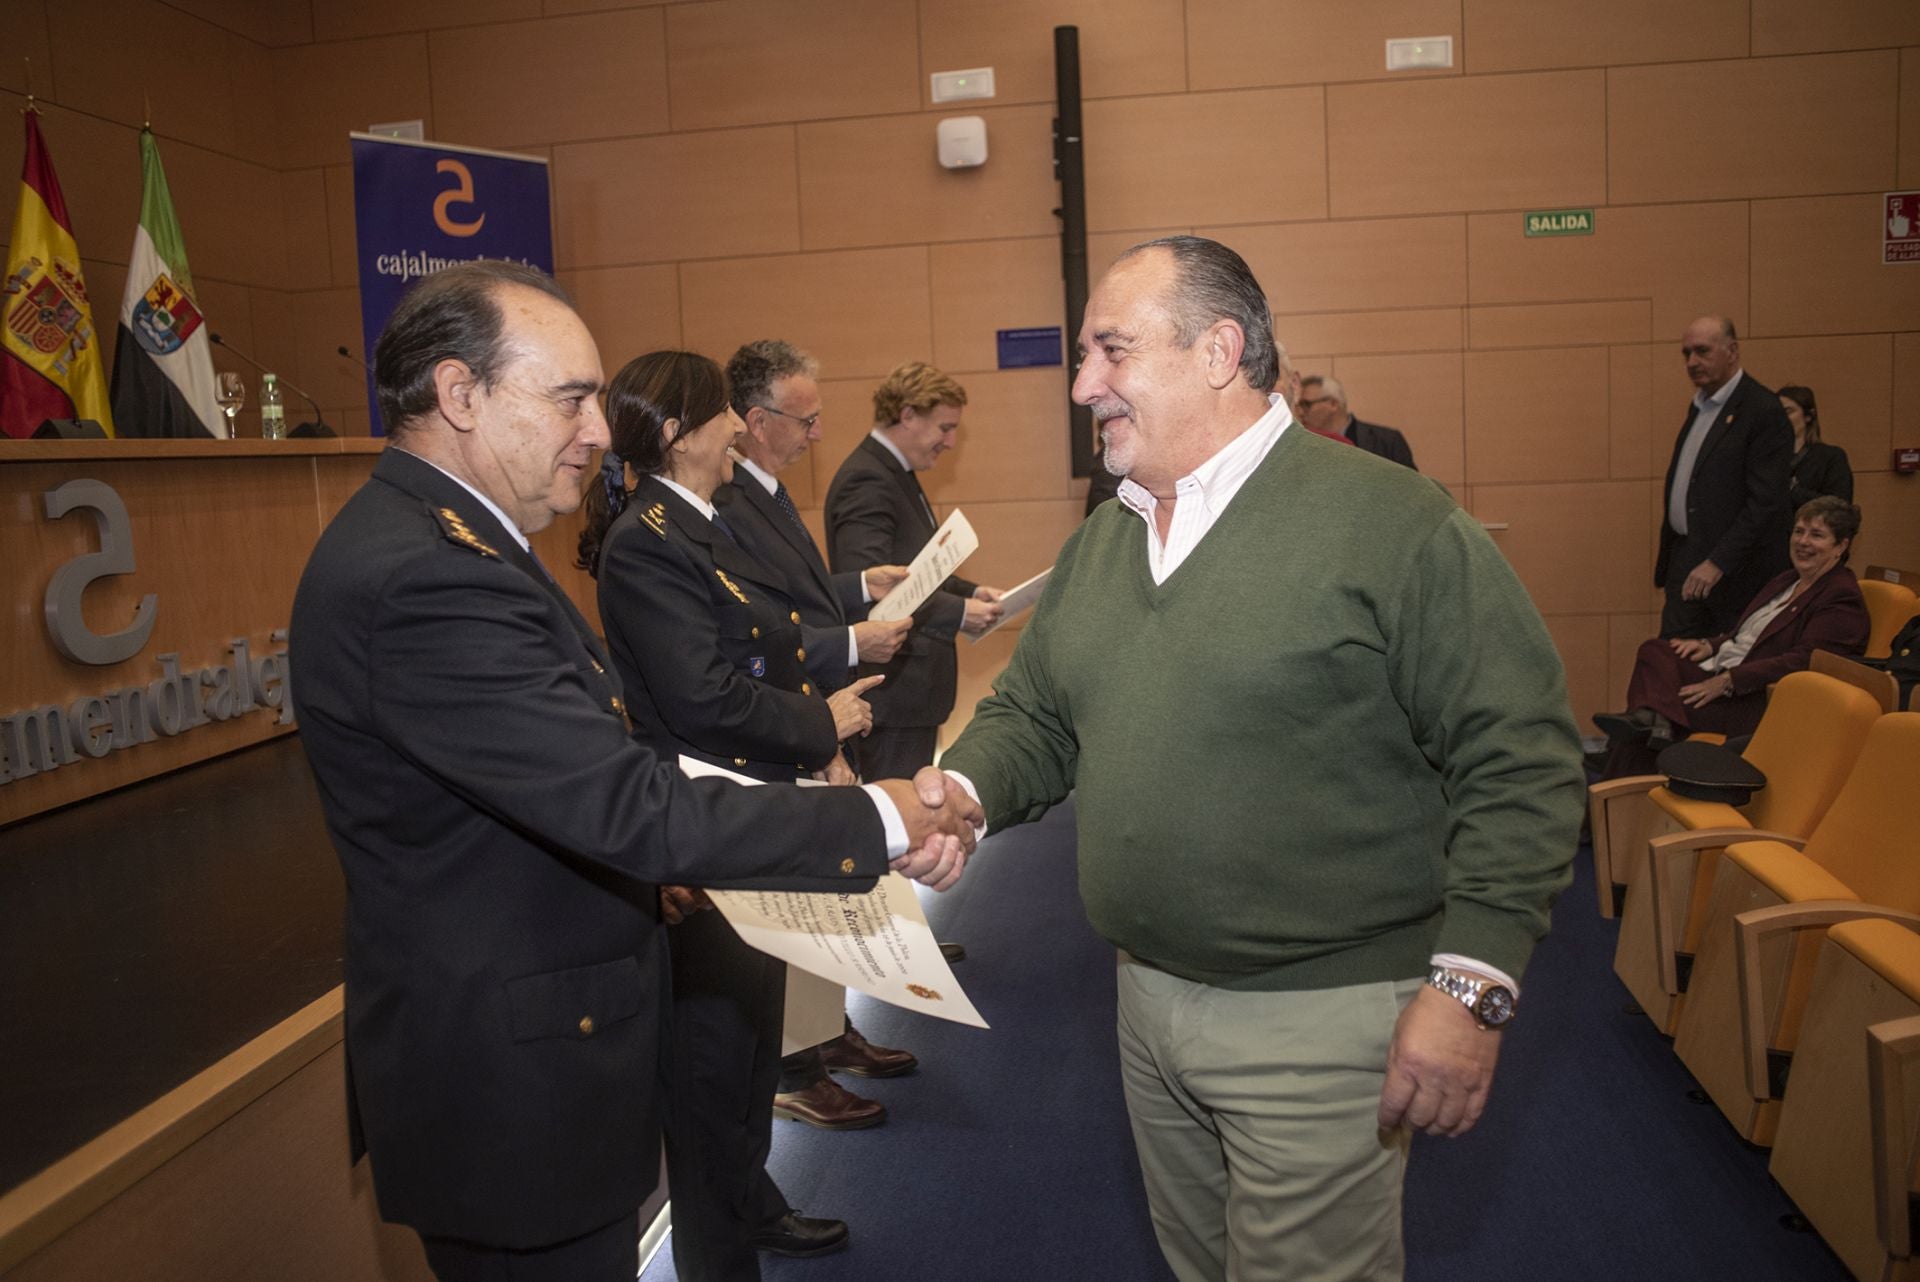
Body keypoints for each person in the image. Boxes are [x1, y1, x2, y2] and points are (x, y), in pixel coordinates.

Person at [288, 261, 978, 1282]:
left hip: (543, 1051)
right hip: (512, 1085)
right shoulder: (425, 572)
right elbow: (622, 799)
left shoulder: (465, 540)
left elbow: (564, 773)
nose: (601, 432)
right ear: (459, 394)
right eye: (571, 399)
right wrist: (878, 818)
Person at [927, 236, 1584, 1282]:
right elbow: (1040, 716)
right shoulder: (1107, 537)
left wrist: (1472, 987)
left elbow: (1525, 759)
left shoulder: (1392, 521)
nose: (1082, 382)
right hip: (1144, 1006)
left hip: (1324, 1020)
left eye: (1110, 350)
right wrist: (957, 791)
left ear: (1219, 350)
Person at [577, 349, 879, 1277]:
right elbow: (704, 695)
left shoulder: (698, 525)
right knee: (712, 1078)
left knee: (750, 1057)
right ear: (680, 433)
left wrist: (810, 739)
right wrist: (815, 721)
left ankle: (751, 1205)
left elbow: (767, 644)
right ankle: (721, 1251)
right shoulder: (648, 539)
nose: (739, 429)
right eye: (722, 416)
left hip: (746, 820)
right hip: (702, 831)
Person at [715, 339, 921, 1130]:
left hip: (808, 710)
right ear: (758, 422)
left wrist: (858, 587)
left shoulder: (764, 490)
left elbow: (795, 592)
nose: (818, 434)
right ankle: (796, 1064)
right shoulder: (730, 503)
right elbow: (755, 624)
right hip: (779, 723)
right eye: (805, 419)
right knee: (794, 903)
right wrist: (847, 642)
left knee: (822, 895)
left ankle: (824, 1036)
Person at [822, 361, 1004, 783]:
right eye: (944, 428)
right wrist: (958, 612)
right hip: (891, 693)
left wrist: (971, 593)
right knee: (896, 816)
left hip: (907, 693)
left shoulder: (893, 473)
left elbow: (918, 569)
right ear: (907, 415)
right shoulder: (867, 478)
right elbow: (869, 584)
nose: (951, 442)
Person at [1594, 496, 1869, 773]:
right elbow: (1744, 632)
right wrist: (1709, 645)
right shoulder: (1786, 581)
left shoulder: (1840, 596)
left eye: (1817, 535)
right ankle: (1655, 726)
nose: (1803, 542)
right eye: (1799, 531)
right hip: (1723, 672)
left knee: (1651, 715)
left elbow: (1806, 661)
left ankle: (1624, 757)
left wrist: (1729, 680)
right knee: (1656, 651)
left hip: (1752, 698)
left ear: (1841, 546)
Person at [1656, 315, 1793, 638]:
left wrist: (1717, 563)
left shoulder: (1762, 411)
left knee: (1709, 670)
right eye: (1686, 353)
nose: (1692, 362)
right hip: (1687, 557)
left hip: (1729, 572)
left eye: (1702, 351)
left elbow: (1765, 502)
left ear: (1732, 351)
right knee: (1669, 662)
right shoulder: (1700, 408)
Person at [1296, 373, 1415, 467]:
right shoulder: (1303, 444)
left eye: (1306, 404)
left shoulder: (1387, 441)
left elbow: (1412, 489)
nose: (1300, 412)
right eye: (1299, 406)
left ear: (1333, 404)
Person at [1779, 384, 1853, 508]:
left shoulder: (1830, 457)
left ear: (1808, 415)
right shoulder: (1763, 457)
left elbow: (1840, 506)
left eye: (1788, 411)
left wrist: (1791, 489)